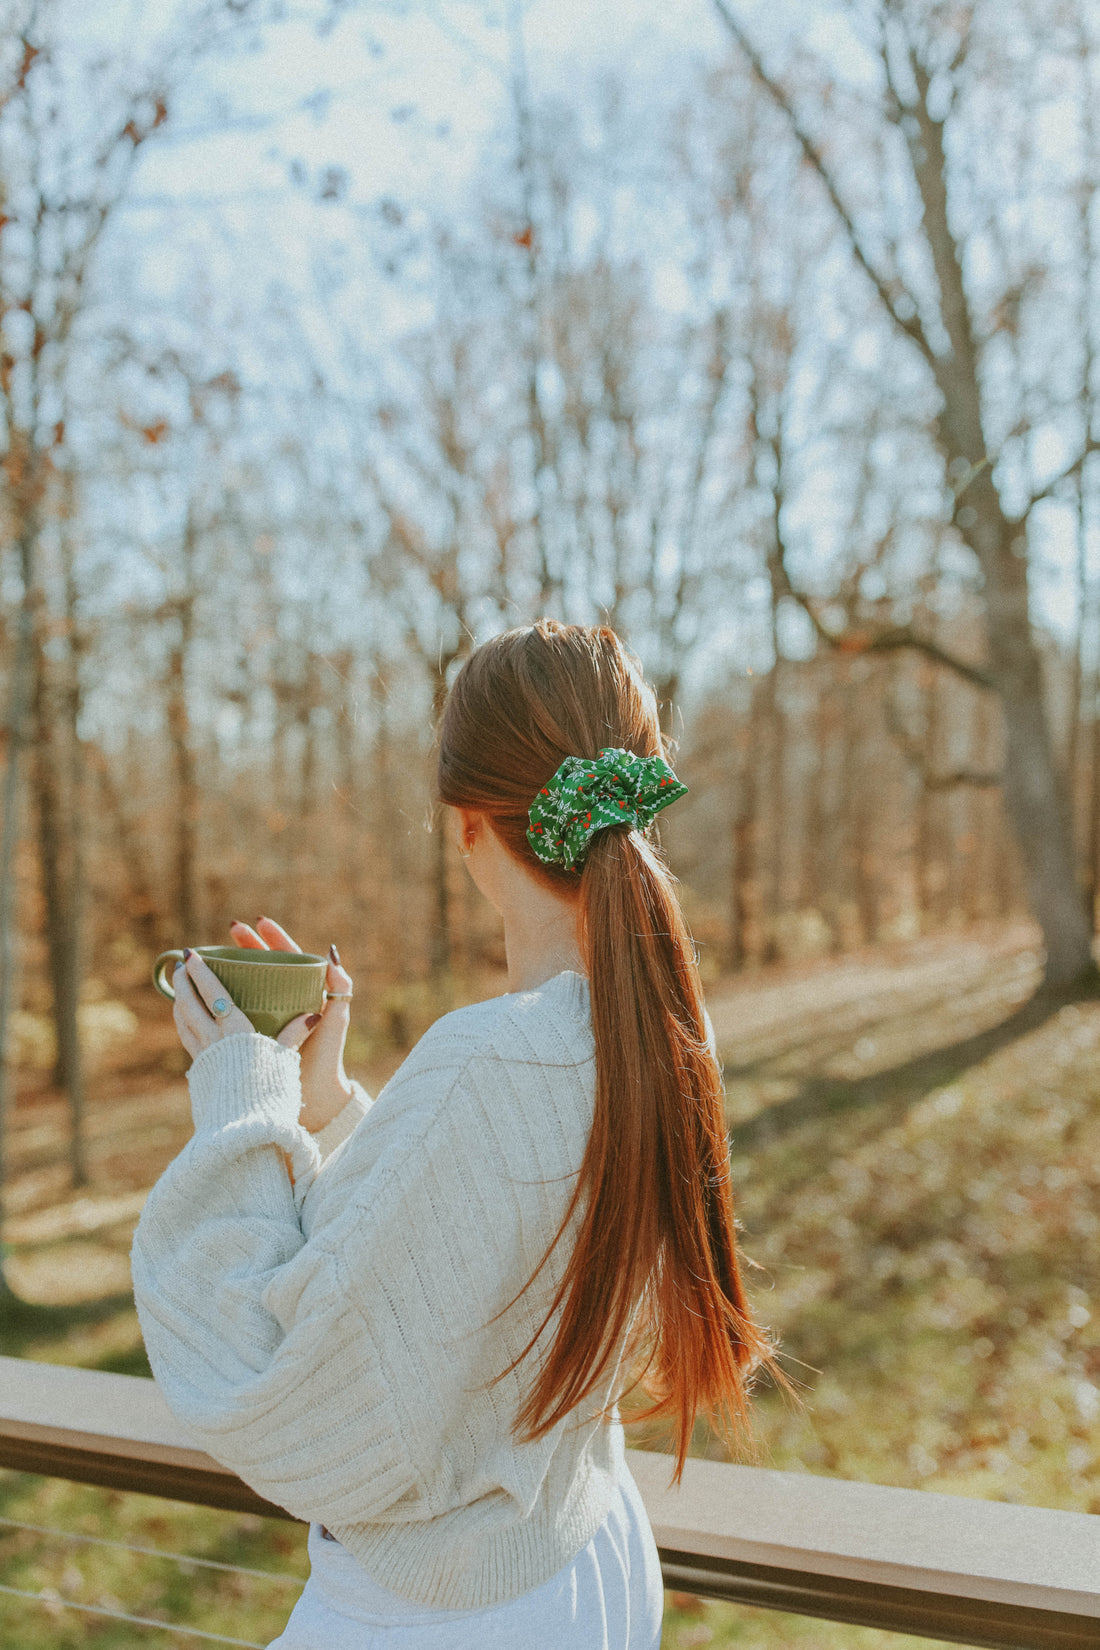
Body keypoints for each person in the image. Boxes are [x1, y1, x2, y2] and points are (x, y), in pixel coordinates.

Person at [131, 619, 778, 1649]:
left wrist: (238, 1094)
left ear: (467, 821)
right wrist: (332, 1105)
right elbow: (473, 1244)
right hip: (581, 1563)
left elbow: (274, 1388)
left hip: (444, 1612)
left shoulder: (494, 1053)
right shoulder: (639, 1028)